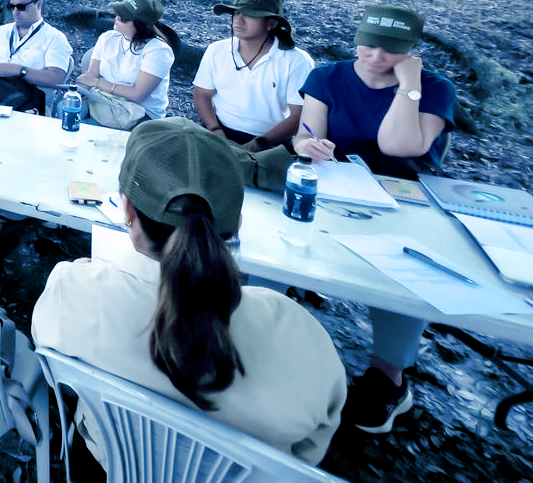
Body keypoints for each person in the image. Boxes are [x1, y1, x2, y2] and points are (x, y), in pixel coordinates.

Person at [32, 117, 345, 476]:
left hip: (112, 466)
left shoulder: (74, 290)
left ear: (128, 211)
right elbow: (310, 448)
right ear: (236, 223)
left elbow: (55, 371)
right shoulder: (297, 333)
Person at [294, 3, 455, 435]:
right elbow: (307, 133)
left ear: (412, 52)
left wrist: (409, 86)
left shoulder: (434, 89)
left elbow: (399, 144)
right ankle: (267, 341)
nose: (376, 56)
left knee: (401, 277)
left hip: (407, 200)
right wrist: (308, 145)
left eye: (392, 50)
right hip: (335, 188)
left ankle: (388, 378)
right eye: (368, 43)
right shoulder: (327, 77)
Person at [193, 0, 315, 150]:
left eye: (250, 15)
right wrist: (214, 129)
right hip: (220, 131)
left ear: (271, 23)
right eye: (236, 13)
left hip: (272, 140)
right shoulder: (217, 50)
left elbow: (299, 114)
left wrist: (258, 144)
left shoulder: (296, 61)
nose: (238, 20)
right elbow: (202, 93)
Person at [76, 0, 175, 130]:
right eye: (117, 13)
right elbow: (90, 76)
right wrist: (80, 91)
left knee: (83, 130)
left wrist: (97, 83)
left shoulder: (158, 51)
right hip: (103, 101)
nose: (117, 18)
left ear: (140, 25)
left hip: (139, 113)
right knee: (65, 108)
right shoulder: (107, 38)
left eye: (123, 18)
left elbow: (137, 95)